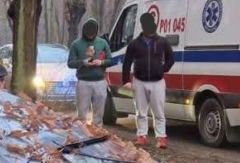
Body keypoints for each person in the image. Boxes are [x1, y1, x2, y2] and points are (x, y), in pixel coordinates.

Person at [122, 12, 174, 148]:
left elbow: (171, 59)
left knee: (159, 111)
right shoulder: (134, 44)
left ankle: (161, 138)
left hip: (157, 82)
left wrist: (162, 69)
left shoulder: (162, 42)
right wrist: (126, 80)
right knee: (141, 111)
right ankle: (141, 136)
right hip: (139, 81)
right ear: (143, 26)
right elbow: (127, 62)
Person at [68, 18, 111, 126]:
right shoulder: (76, 44)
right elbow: (70, 63)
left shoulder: (102, 43)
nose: (90, 36)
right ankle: (82, 132)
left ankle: (98, 130)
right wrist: (82, 62)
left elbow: (111, 60)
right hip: (83, 82)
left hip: (100, 81)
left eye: (92, 34)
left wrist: (101, 62)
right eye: (88, 34)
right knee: (82, 113)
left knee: (99, 113)